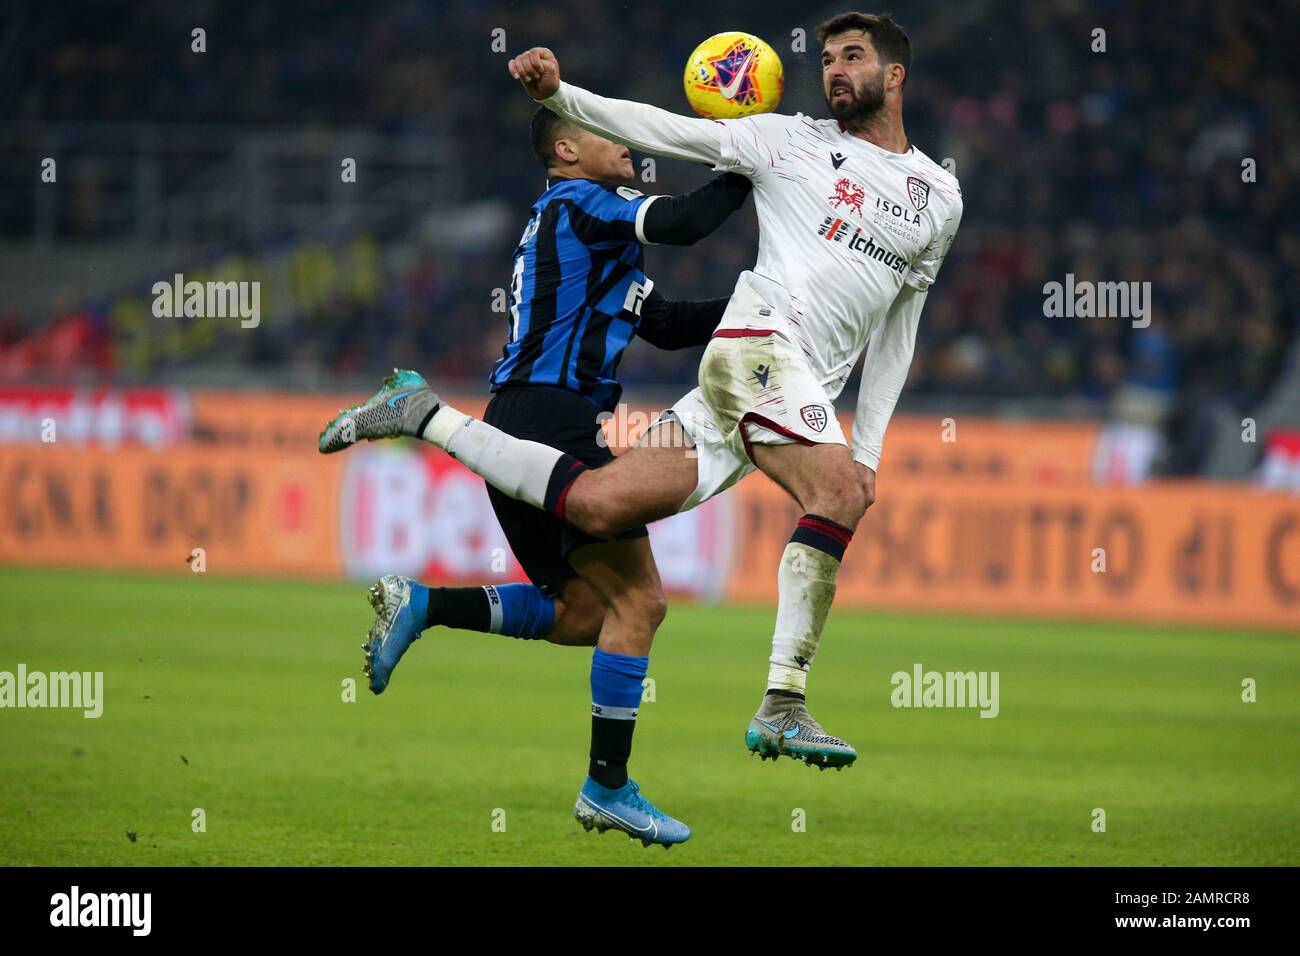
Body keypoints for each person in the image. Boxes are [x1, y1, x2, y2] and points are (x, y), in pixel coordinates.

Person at [323, 11, 962, 774]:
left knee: (599, 513)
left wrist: (869, 450)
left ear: (893, 75)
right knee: (837, 496)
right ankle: (783, 703)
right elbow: (655, 130)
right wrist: (567, 91)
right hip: (756, 355)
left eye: (851, 57)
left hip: (761, 388)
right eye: (826, 58)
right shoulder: (784, 138)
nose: (834, 71)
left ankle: (424, 423)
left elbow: (899, 329)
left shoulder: (939, 197)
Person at [322, 106, 751, 847]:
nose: (626, 143)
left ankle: (422, 605)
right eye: (603, 130)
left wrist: (773, 313)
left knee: (588, 612)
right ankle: (607, 787)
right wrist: (751, 157)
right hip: (551, 422)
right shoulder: (586, 202)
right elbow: (684, 221)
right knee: (642, 605)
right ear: (565, 148)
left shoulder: (587, 238)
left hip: (525, 419)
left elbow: (675, 324)